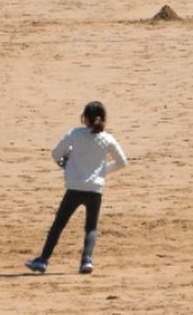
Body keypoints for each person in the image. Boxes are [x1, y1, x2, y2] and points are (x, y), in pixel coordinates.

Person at [24, 100, 127, 275]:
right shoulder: (107, 138)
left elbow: (56, 153)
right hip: (95, 190)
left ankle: (43, 260)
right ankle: (86, 260)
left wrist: (63, 163)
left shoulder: (74, 134)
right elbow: (122, 162)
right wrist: (101, 172)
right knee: (91, 227)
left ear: (84, 118)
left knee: (58, 225)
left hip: (74, 188)